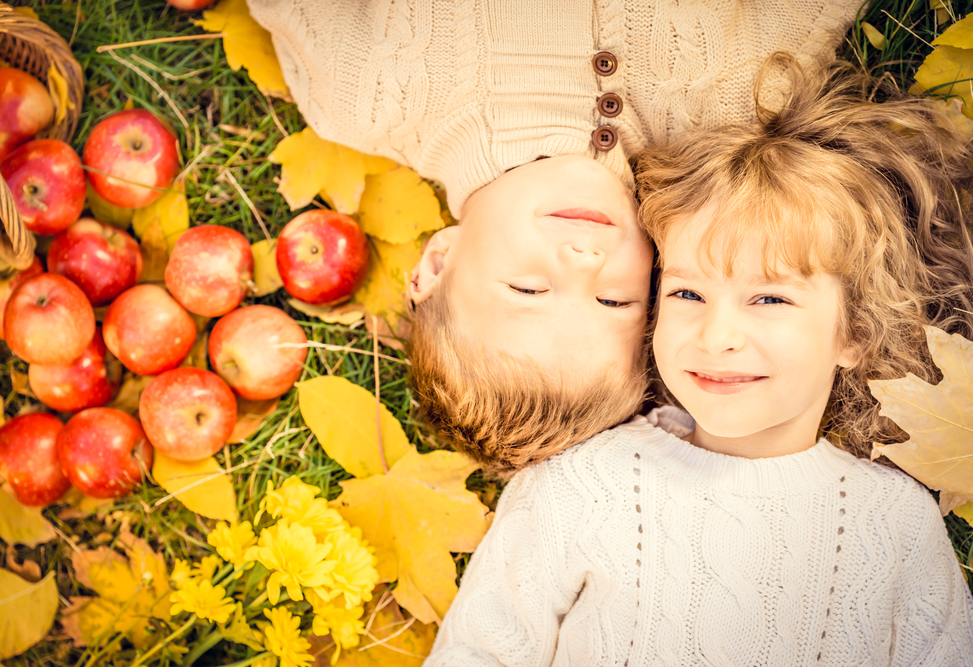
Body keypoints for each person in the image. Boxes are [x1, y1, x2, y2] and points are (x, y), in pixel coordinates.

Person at [424, 55, 973, 666]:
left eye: (770, 297)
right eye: (688, 293)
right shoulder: (580, 485)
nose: (717, 336)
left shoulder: (896, 525)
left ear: (856, 333)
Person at [247, 0, 866, 476]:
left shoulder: (364, 93)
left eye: (528, 287)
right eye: (615, 301)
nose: (585, 260)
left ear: (438, 260)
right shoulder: (743, 101)